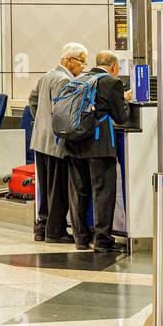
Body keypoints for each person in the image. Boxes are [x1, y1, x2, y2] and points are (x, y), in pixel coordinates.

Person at [67, 49, 131, 253]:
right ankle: (102, 240)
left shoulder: (79, 79)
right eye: (118, 68)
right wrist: (125, 100)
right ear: (113, 67)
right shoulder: (112, 83)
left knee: (80, 192)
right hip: (99, 147)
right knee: (103, 192)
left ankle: (81, 238)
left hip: (74, 144)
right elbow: (122, 117)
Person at [28, 42, 87, 243]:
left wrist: (42, 122)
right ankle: (55, 231)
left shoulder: (46, 76)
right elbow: (66, 113)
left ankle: (42, 228)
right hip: (56, 143)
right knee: (58, 189)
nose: (83, 67)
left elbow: (32, 100)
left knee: (45, 188)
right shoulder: (64, 80)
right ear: (69, 60)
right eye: (82, 62)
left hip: (40, 140)